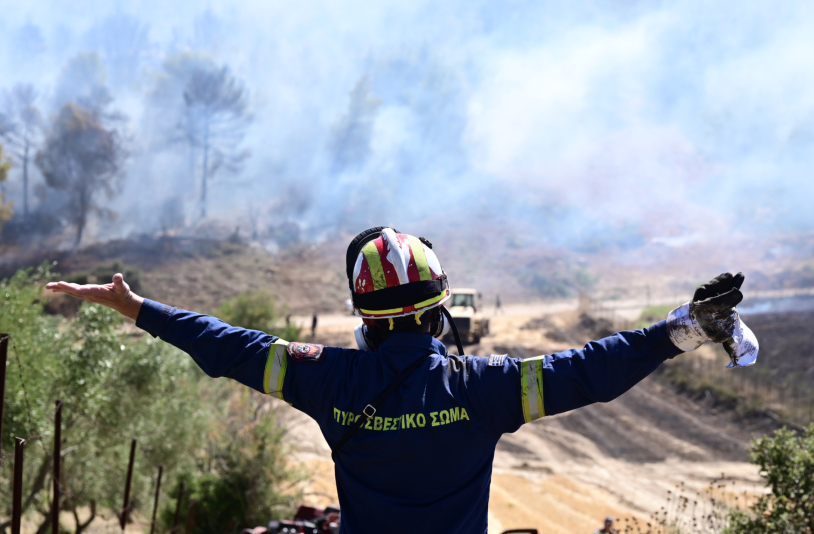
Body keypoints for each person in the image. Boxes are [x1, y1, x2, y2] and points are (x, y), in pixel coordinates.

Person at [46, 226, 758, 534]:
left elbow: (229, 346)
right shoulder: (483, 386)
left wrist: (138, 308)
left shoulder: (328, 379)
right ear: (439, 311)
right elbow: (591, 371)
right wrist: (683, 328)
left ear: (365, 314)